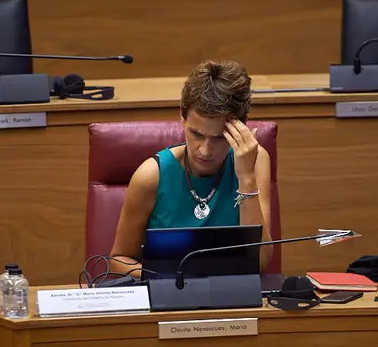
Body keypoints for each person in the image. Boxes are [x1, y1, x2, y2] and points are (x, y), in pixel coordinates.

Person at [109, 59, 273, 276]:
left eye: (218, 138)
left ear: (241, 126)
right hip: (168, 299)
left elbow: (259, 263)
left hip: (232, 302)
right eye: (196, 134)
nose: (205, 150)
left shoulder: (256, 161)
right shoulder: (151, 176)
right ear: (182, 117)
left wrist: (246, 178)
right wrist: (171, 281)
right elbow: (119, 260)